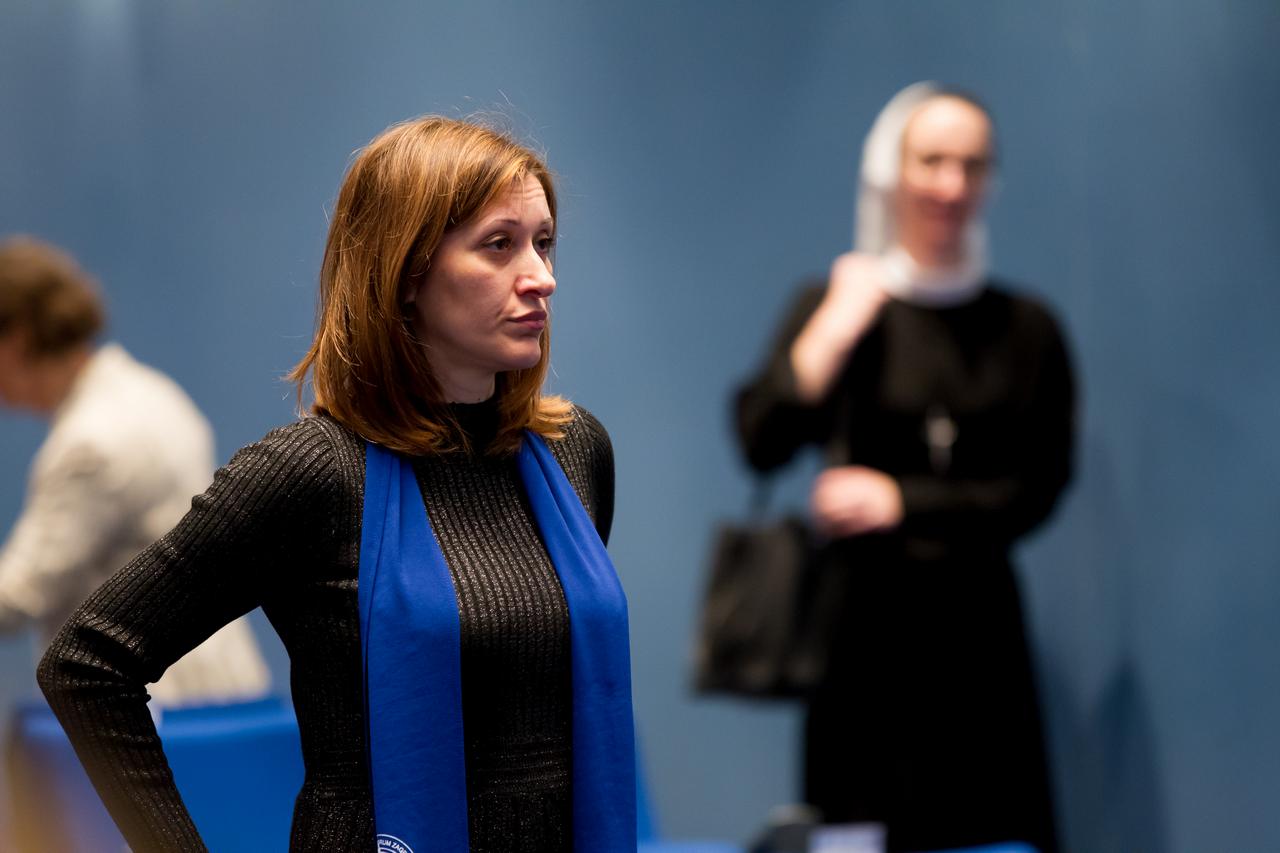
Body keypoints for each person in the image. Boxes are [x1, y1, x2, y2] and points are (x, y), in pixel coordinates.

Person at [38, 116, 635, 853]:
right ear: (406, 272)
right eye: (498, 244)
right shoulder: (313, 472)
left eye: (544, 242)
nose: (541, 276)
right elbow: (87, 664)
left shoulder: (575, 452)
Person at [735, 83, 1074, 853]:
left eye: (973, 165)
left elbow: (1038, 487)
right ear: (890, 171)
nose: (952, 185)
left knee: (988, 834)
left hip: (979, 639)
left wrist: (902, 499)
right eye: (932, 161)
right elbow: (761, 440)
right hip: (860, 642)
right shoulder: (838, 302)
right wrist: (831, 332)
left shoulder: (1027, 329)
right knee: (856, 833)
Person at [0, 236, 270, 705]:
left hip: (156, 703)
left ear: (16, 339)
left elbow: (18, 596)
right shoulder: (152, 392)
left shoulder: (89, 444)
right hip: (221, 683)